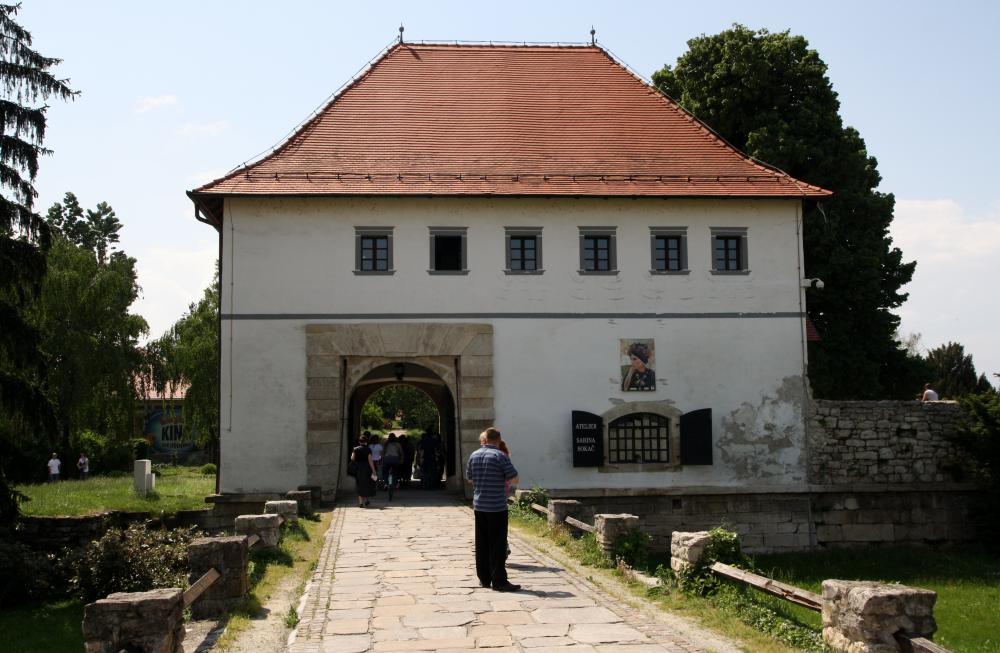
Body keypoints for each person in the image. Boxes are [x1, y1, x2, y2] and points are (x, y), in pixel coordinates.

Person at [466, 427, 520, 592]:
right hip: (496, 506)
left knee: (482, 542)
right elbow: (514, 479)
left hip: (479, 505)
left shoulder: (474, 455)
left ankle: (484, 578)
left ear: (485, 439)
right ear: (498, 440)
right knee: (498, 544)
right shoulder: (500, 456)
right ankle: (499, 580)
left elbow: (470, 479)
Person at [351, 434, 378, 507]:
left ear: (359, 442)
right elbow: (370, 461)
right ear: (366, 442)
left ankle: (360, 503)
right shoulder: (368, 449)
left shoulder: (355, 449)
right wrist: (373, 470)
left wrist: (353, 453)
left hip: (358, 468)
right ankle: (366, 500)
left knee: (359, 484)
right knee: (367, 484)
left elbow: (352, 458)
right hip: (367, 468)